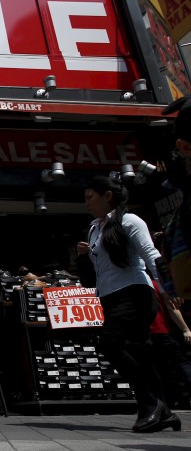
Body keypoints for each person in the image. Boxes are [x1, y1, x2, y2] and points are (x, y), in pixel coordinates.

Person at [76, 176, 180, 432]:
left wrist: (168, 287)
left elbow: (151, 254)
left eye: (90, 197)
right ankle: (162, 409)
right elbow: (95, 275)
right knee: (141, 354)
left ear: (107, 196)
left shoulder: (129, 220)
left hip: (134, 293)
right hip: (110, 296)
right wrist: (84, 257)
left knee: (110, 343)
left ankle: (149, 403)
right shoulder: (95, 228)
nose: (86, 203)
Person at [148, 277, 191, 409]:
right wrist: (185, 329)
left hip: (147, 334)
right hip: (163, 331)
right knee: (181, 364)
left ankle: (166, 402)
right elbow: (172, 308)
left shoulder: (139, 285)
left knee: (160, 370)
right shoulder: (157, 284)